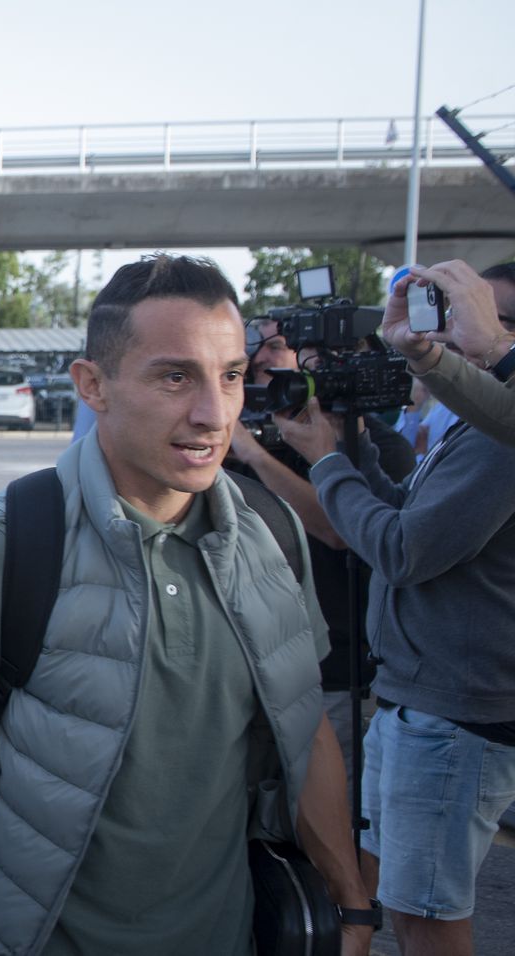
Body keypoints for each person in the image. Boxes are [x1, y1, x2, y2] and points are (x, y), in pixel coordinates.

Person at [0, 254, 373, 956]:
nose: (213, 414)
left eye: (230, 375)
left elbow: (307, 731)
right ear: (93, 385)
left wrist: (352, 905)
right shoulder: (6, 544)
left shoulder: (272, 536)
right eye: (175, 376)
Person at [278, 346, 515, 956]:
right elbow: (399, 511)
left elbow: (402, 550)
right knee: (398, 898)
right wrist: (347, 439)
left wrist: (327, 460)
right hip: (415, 699)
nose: (450, 342)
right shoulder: (472, 424)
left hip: (451, 714)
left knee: (427, 919)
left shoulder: (500, 437)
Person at [228, 318, 416, 775]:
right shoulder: (240, 438)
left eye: (280, 347)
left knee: (337, 816)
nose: (265, 358)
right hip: (255, 665)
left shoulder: (373, 445)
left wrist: (255, 456)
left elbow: (337, 529)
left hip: (335, 671)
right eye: (257, 350)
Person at [386, 261, 515, 446]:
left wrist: (496, 342)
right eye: (454, 309)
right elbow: (416, 453)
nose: (455, 320)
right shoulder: (456, 402)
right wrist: (420, 353)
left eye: (480, 311)